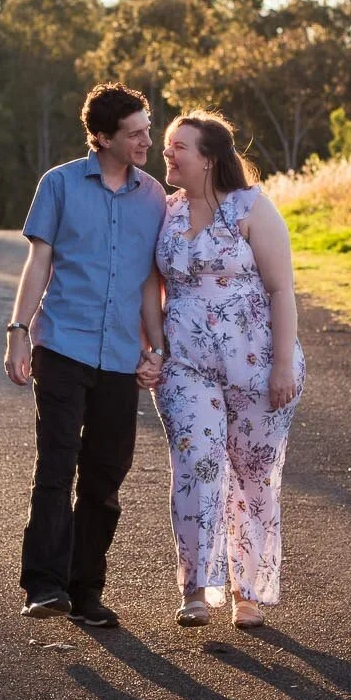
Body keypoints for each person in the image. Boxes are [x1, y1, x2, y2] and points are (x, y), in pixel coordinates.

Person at [4, 83, 167, 628]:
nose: (147, 141)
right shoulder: (59, 183)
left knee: (105, 476)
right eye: (135, 133)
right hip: (63, 345)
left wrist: (156, 347)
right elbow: (38, 263)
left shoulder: (153, 197)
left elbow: (149, 282)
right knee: (56, 465)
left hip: (120, 358)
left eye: (147, 129)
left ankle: (86, 589)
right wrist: (18, 330)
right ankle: (44, 585)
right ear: (102, 137)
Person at [139, 112, 303, 629]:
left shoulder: (251, 207)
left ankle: (246, 592)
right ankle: (194, 588)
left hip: (258, 368)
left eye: (178, 146)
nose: (167, 153)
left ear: (209, 158)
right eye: (168, 145)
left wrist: (282, 366)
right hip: (185, 367)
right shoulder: (165, 211)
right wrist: (155, 348)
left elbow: (281, 290)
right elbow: (149, 286)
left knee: (252, 475)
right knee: (196, 464)